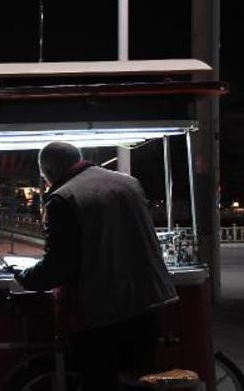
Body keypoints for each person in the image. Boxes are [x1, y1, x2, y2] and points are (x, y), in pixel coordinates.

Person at [11, 141, 178, 390]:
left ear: (47, 171)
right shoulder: (128, 183)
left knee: (100, 381)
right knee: (138, 379)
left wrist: (24, 276)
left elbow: (59, 264)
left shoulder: (63, 198)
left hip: (101, 313)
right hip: (147, 303)